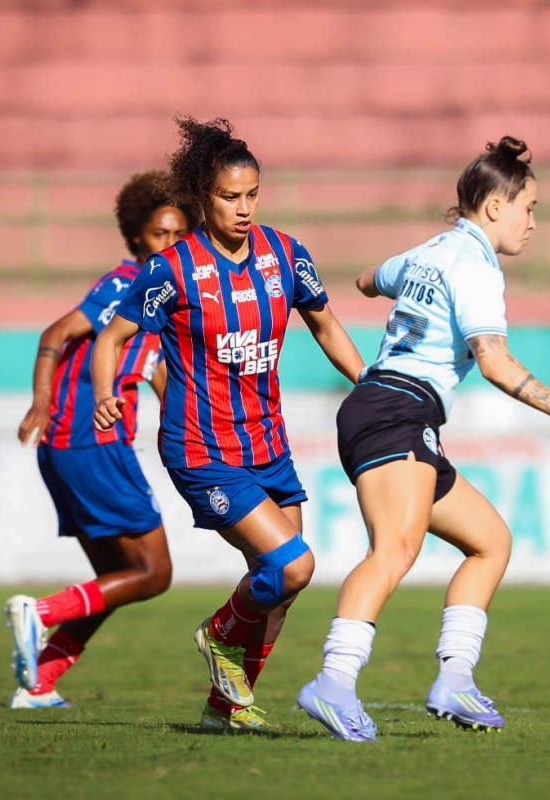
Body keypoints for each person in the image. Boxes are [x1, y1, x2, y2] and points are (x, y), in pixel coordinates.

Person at [297, 136, 550, 741]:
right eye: (529, 207)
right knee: (394, 550)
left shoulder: (431, 252)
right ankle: (334, 683)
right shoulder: (476, 268)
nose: (534, 221)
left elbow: (370, 278)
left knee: (490, 541)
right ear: (495, 207)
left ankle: (456, 679)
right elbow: (494, 363)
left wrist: (377, 284)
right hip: (397, 409)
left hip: (388, 407)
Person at [92, 117, 365, 730]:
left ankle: (228, 706)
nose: (244, 209)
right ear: (201, 199)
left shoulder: (285, 254)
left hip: (268, 442)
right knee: (293, 565)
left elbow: (324, 324)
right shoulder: (173, 269)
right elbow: (112, 337)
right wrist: (106, 392)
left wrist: (370, 381)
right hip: (201, 446)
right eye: (229, 197)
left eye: (252, 195)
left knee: (280, 585)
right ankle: (218, 636)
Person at [3, 171, 198, 709]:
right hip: (92, 440)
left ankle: (39, 683)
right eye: (161, 234)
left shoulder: (163, 302)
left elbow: (163, 378)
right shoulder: (125, 283)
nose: (171, 245)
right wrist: (41, 401)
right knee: (154, 574)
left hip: (72, 449)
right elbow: (55, 333)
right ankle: (36, 614)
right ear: (136, 237)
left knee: (116, 578)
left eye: (181, 235)